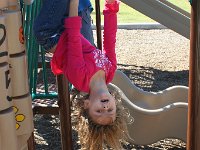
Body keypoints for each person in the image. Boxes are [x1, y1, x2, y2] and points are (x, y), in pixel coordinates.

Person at [51, 0, 133, 149]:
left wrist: (74, 3)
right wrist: (111, 6)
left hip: (51, 33)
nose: (105, 106)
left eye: (99, 111)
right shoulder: (110, 70)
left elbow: (74, 38)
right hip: (71, 33)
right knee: (85, 7)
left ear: (86, 105)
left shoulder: (80, 77)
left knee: (78, 6)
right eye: (110, 110)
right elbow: (110, 39)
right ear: (115, 103)